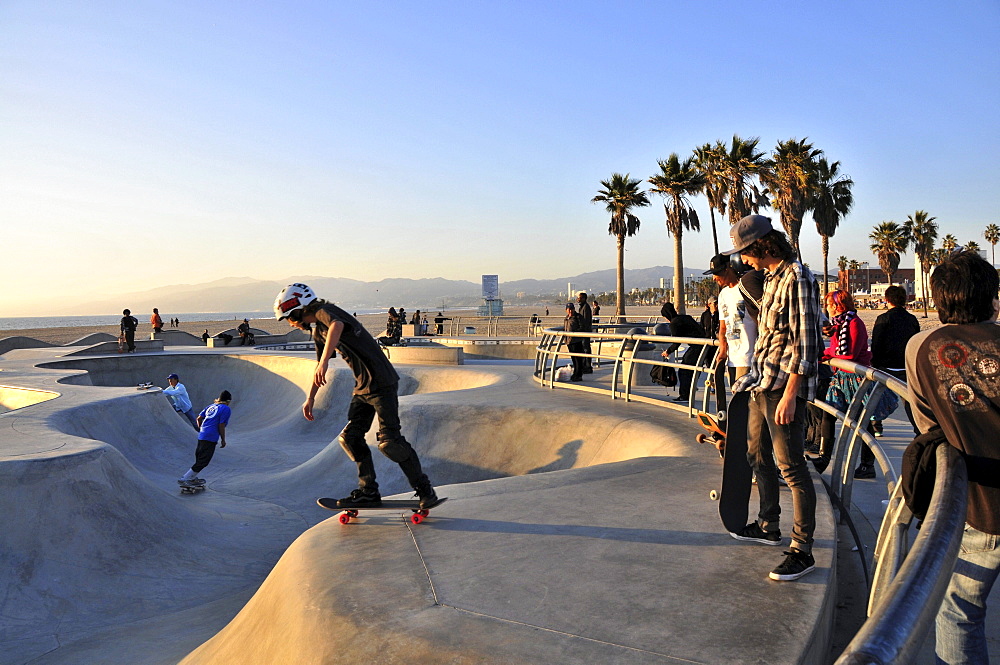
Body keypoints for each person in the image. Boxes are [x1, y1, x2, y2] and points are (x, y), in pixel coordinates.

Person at [905, 250, 1000, 664]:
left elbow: (927, 423)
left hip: (981, 503)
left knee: (960, 610)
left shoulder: (921, 348)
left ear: (939, 298)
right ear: (992, 295)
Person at [274, 283, 438, 509]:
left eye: (288, 318)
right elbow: (318, 368)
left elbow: (337, 325)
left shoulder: (327, 312)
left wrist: (323, 363)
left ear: (297, 309)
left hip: (382, 383)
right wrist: (310, 398)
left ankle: (425, 490)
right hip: (362, 389)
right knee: (350, 438)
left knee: (390, 443)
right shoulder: (317, 331)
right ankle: (368, 491)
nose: (291, 323)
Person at [723, 215, 823, 582]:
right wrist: (749, 379)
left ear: (761, 246)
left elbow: (806, 342)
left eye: (745, 252)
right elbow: (769, 339)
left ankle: (802, 549)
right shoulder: (772, 278)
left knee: (792, 467)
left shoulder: (797, 277)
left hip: (783, 390)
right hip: (762, 385)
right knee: (756, 455)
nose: (743, 260)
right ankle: (768, 524)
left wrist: (791, 395)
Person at [812, 290, 896, 478]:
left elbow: (850, 354)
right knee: (828, 416)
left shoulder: (854, 323)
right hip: (841, 378)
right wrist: (827, 353)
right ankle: (824, 458)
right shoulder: (838, 324)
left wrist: (830, 354)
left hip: (856, 380)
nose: (827, 308)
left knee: (862, 423)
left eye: (829, 304)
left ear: (837, 305)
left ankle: (868, 465)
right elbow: (837, 349)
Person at [870, 285, 921, 436]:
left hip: (886, 366)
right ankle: (918, 428)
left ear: (886, 300)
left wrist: (875, 363)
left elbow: (876, 343)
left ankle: (876, 426)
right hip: (905, 365)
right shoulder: (911, 319)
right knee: (909, 400)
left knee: (876, 396)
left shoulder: (883, 319)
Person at [705, 254, 758, 385]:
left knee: (744, 400)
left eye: (716, 273)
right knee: (735, 397)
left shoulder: (746, 287)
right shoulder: (723, 294)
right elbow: (723, 327)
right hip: (732, 358)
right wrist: (723, 351)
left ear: (728, 269)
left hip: (749, 356)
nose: (714, 278)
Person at [177, 390, 232, 487]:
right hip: (211, 437)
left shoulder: (211, 406)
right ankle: (185, 478)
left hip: (202, 435)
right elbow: (221, 424)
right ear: (228, 401)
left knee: (200, 459)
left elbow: (198, 418)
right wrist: (223, 439)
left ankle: (192, 477)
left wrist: (202, 429)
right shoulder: (226, 409)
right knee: (204, 461)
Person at [659, 301, 705, 402]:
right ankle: (690, 389)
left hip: (696, 347)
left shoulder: (674, 323)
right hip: (704, 345)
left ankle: (685, 395)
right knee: (692, 370)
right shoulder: (686, 317)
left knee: (684, 371)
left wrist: (668, 351)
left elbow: (676, 342)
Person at [563, 302, 585, 381]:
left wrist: (575, 333)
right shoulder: (566, 318)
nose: (570, 311)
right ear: (566, 310)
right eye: (569, 310)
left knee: (578, 359)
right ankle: (575, 373)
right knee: (573, 359)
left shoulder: (578, 317)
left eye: (571, 309)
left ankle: (578, 375)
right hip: (569, 341)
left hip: (576, 341)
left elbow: (583, 327)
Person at [576, 292, 593, 374]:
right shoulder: (582, 307)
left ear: (584, 298)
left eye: (580, 298)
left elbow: (585, 320)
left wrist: (581, 329)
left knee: (586, 349)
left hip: (585, 332)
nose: (578, 299)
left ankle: (588, 366)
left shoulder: (586, 307)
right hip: (583, 332)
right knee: (584, 349)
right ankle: (585, 366)